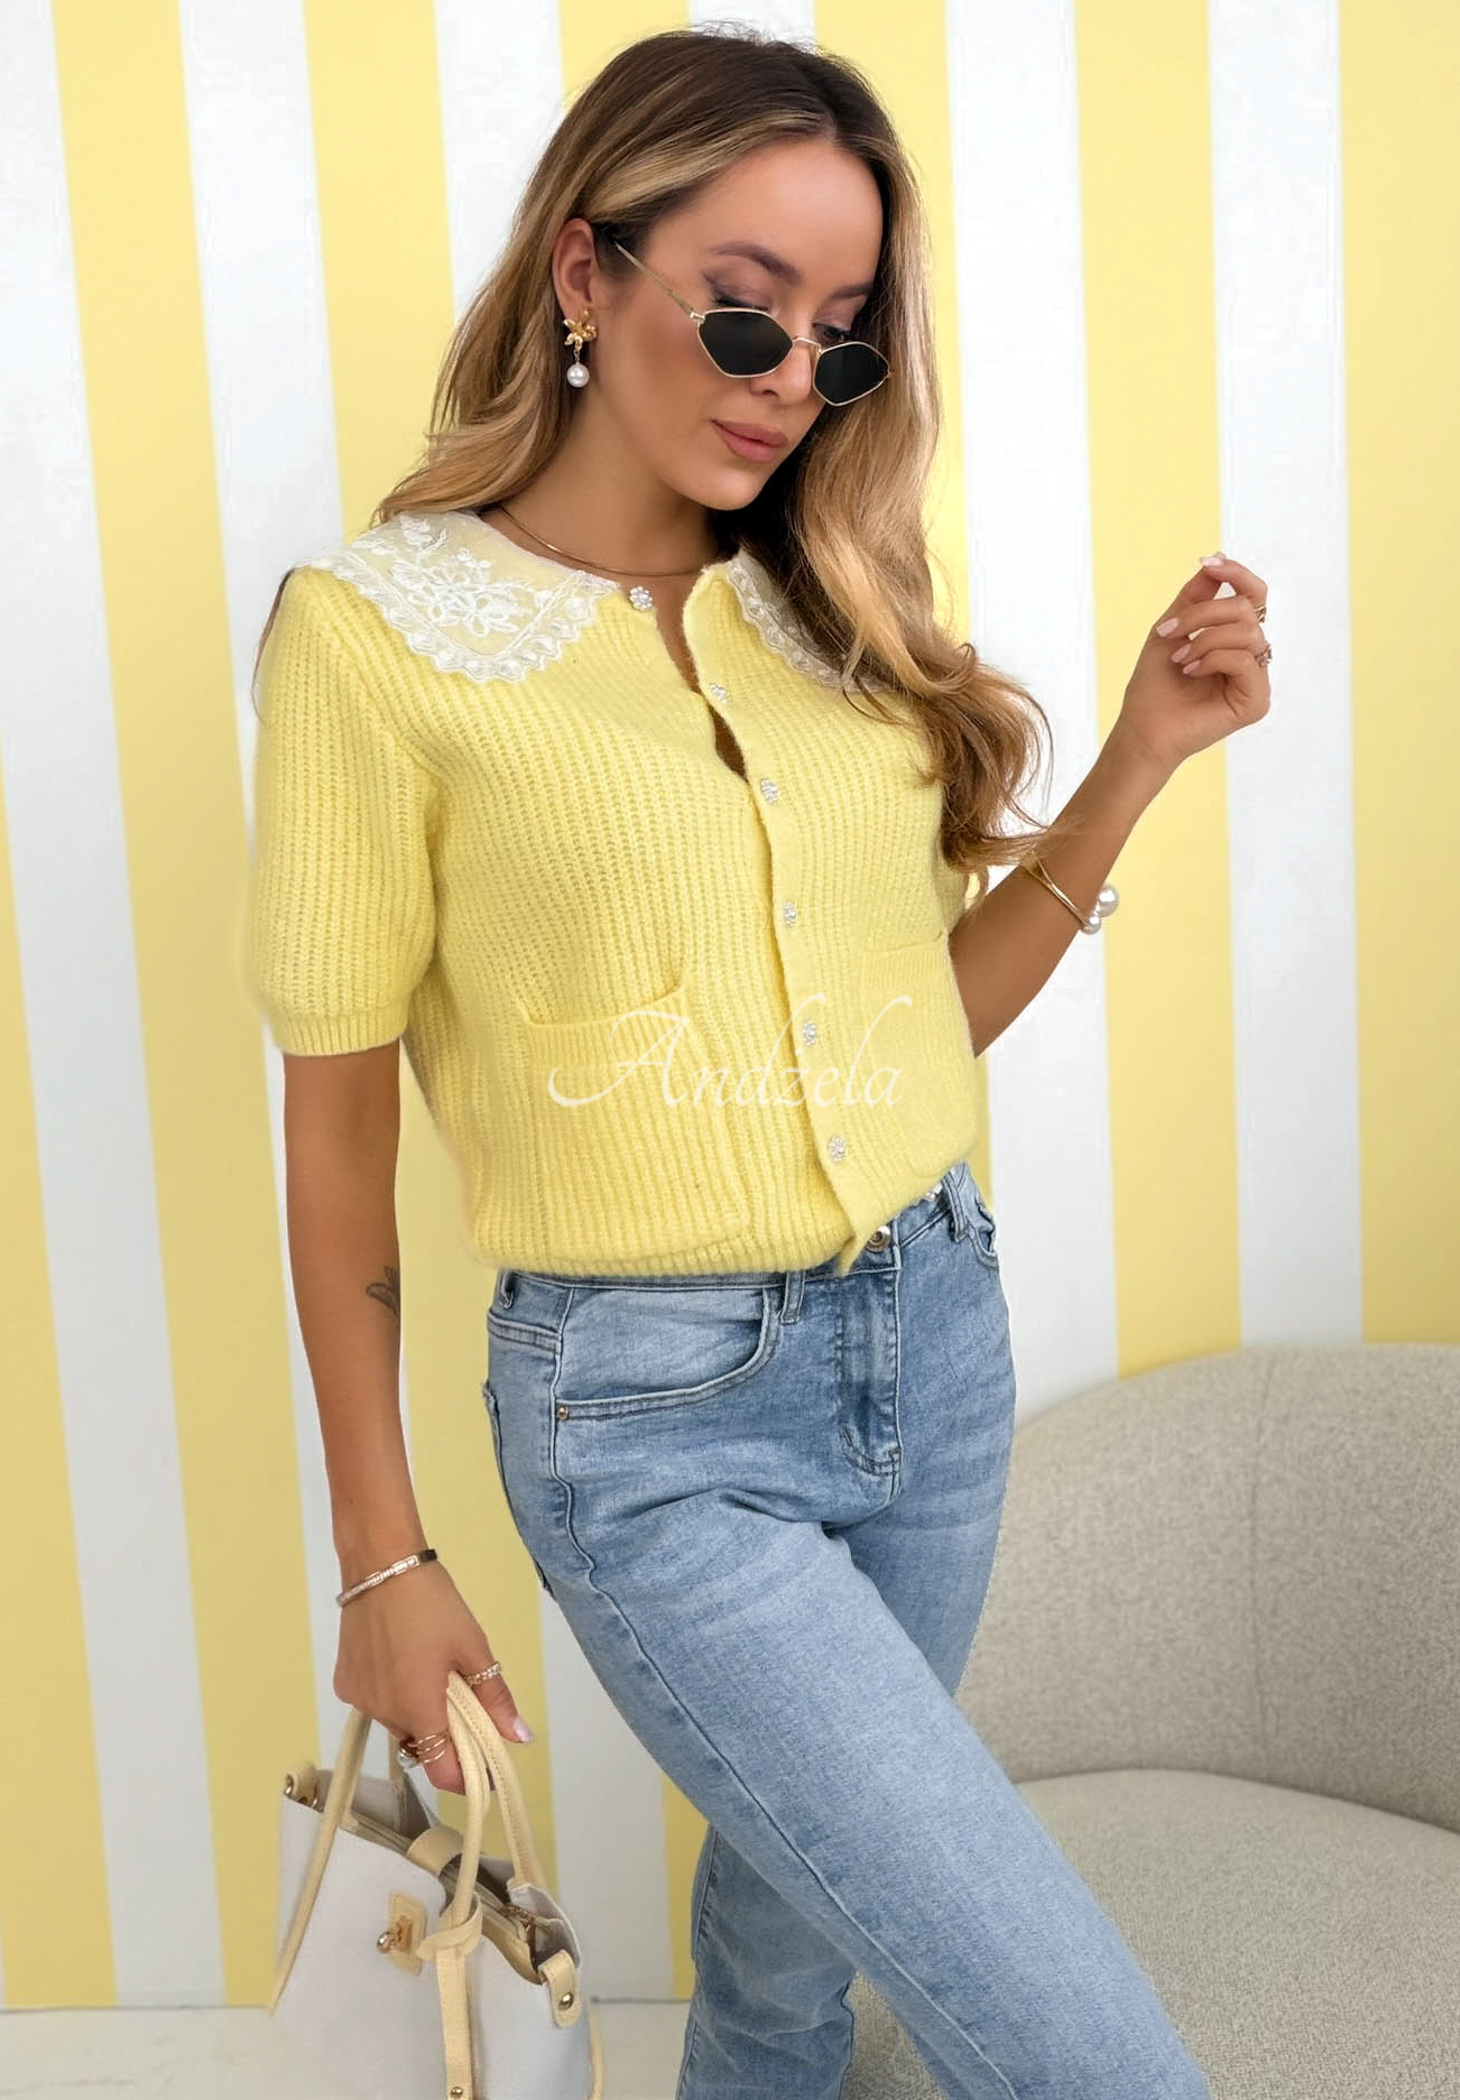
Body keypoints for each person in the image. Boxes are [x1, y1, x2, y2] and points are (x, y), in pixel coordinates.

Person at [243, 25, 1269, 2099]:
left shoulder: (831, 612)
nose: (790, 375)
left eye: (840, 333)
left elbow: (918, 1027)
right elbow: (339, 1145)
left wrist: (1139, 762)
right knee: (1084, 2048)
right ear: (583, 269)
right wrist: (383, 1556)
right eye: (742, 305)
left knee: (792, 1952)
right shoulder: (375, 636)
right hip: (648, 1420)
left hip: (934, 1341)